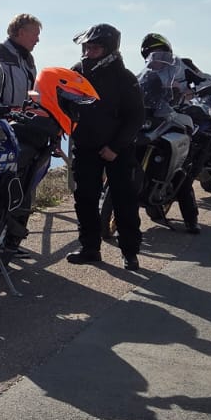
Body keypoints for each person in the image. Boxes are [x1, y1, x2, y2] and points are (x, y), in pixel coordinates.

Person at [66, 24, 144, 269]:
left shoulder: (125, 78)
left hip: (118, 150)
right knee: (85, 199)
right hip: (85, 146)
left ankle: (130, 252)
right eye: (86, 47)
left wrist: (116, 147)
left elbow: (136, 117)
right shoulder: (77, 72)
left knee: (124, 201)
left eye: (94, 48)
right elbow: (63, 103)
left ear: (109, 49)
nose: (88, 52)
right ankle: (90, 249)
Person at [0, 14, 42, 255]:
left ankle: (12, 240)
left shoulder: (28, 59)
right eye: (35, 34)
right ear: (20, 32)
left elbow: (32, 93)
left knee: (24, 181)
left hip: (22, 129)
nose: (37, 39)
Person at [138, 32, 200, 233]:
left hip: (178, 116)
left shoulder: (183, 65)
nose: (157, 56)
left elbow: (204, 80)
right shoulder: (146, 74)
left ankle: (191, 219)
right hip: (154, 116)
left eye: (160, 51)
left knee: (182, 169)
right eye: (152, 53)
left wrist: (195, 90)